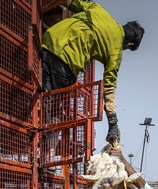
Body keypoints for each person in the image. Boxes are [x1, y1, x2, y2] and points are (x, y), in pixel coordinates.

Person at [41, 0, 145, 146]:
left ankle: (38, 129)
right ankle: (45, 152)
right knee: (56, 111)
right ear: (129, 44)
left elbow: (71, 2)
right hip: (66, 62)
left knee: (42, 95)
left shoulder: (99, 10)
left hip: (49, 41)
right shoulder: (115, 51)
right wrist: (113, 123)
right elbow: (109, 89)